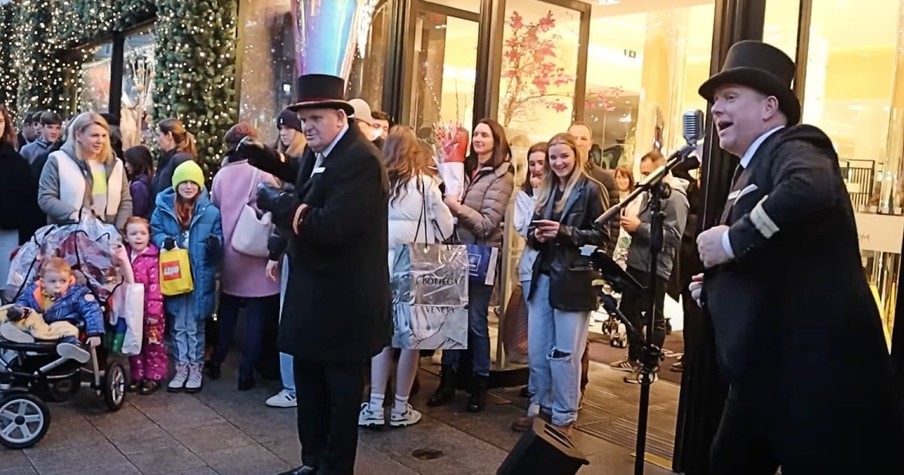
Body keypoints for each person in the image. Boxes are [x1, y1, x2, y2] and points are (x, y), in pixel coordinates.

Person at [692, 40, 904, 474]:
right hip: (763, 374)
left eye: (730, 97)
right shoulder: (748, 167)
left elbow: (809, 190)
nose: (716, 110)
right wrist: (715, 283)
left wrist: (730, 242)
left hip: (812, 378)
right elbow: (776, 255)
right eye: (716, 101)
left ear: (770, 107)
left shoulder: (796, 144)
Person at [239, 73, 391, 475]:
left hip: (343, 301)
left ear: (341, 117)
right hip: (315, 296)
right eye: (304, 118)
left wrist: (279, 205)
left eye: (316, 118)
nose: (307, 126)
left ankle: (334, 469)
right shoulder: (323, 151)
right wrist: (265, 159)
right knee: (309, 388)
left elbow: (331, 226)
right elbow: (306, 179)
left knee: (339, 397)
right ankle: (313, 462)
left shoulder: (360, 159)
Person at [358, 125, 454, 429]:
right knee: (411, 341)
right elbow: (447, 227)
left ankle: (374, 406)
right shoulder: (426, 185)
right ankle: (400, 408)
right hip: (416, 266)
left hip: (378, 267)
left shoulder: (375, 182)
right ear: (415, 152)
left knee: (380, 339)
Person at [511, 133, 607, 434]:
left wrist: (564, 232)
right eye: (553, 157)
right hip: (543, 278)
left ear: (576, 155)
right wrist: (536, 236)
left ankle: (565, 416)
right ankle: (542, 407)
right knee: (539, 351)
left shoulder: (592, 190)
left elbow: (604, 238)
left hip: (574, 281)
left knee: (565, 353)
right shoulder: (547, 191)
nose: (558, 162)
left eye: (563, 156)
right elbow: (532, 234)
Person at [429, 118, 515, 413]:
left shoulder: (502, 176)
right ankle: (448, 380)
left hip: (480, 255)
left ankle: (480, 383)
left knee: (477, 323)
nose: (479, 139)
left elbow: (488, 224)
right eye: (476, 134)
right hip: (453, 251)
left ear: (496, 140)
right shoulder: (462, 169)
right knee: (451, 319)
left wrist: (456, 207)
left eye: (485, 135)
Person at [208, 122, 280, 391]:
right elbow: (276, 202)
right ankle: (246, 373)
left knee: (227, 311)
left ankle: (216, 360)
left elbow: (215, 207)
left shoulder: (222, 175)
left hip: (231, 252)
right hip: (258, 252)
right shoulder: (262, 172)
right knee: (256, 317)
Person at [610, 151, 688, 384]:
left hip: (656, 266)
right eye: (642, 173)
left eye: (647, 173)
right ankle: (634, 357)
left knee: (653, 316)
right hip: (636, 262)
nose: (643, 178)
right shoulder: (648, 193)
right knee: (629, 310)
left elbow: (673, 237)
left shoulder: (674, 197)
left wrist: (639, 227)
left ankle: (649, 366)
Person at [151, 161, 222, 394]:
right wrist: (164, 241)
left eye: (194, 182)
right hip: (175, 277)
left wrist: (215, 245)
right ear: (176, 184)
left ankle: (195, 367)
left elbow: (219, 241)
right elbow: (155, 230)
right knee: (178, 326)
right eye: (184, 182)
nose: (189, 186)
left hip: (199, 279)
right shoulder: (163, 207)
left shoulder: (210, 213)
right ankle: (181, 368)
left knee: (195, 327)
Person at [264, 108, 307, 409]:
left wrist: (274, 251)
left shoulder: (304, 164)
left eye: (290, 127)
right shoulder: (291, 163)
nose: (285, 132)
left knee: (291, 316)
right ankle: (293, 384)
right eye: (281, 128)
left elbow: (288, 214)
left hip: (300, 249)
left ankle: (294, 386)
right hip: (294, 249)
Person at [37, 112, 132, 231]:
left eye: (104, 135)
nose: (100, 141)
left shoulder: (116, 164)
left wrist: (120, 229)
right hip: (68, 235)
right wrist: (74, 215)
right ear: (78, 136)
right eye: (94, 135)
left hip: (108, 237)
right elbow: (46, 198)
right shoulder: (58, 160)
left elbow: (125, 201)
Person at [511, 142, 546, 407]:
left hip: (552, 268)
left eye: (540, 163)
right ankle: (535, 389)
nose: (536, 169)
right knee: (534, 330)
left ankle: (545, 393)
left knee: (548, 334)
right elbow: (524, 228)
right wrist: (536, 197)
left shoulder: (560, 192)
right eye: (532, 164)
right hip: (529, 266)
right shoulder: (524, 195)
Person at [15, 258, 104, 350]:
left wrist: (94, 332)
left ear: (69, 281)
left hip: (60, 329)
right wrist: (19, 311)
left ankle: (70, 347)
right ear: (42, 282)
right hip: (37, 328)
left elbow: (91, 309)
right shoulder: (32, 292)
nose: (58, 285)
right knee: (18, 312)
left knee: (68, 328)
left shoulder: (76, 294)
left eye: (63, 281)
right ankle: (15, 333)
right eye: (53, 281)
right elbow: (22, 302)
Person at [123, 217, 167, 395]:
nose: (138, 237)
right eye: (133, 234)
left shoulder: (153, 258)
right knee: (134, 342)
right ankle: (137, 375)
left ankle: (153, 376)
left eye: (142, 233)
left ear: (149, 235)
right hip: (132, 309)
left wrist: (154, 310)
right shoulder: (125, 256)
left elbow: (156, 286)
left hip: (151, 311)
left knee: (153, 344)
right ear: (126, 237)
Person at [0, 105, 37, 280]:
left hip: (7, 232)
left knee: (7, 285)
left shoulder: (16, 162)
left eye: (0, 121)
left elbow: (28, 201)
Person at [150, 118, 196, 215]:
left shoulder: (180, 160)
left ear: (169, 135)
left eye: (159, 135)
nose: (158, 139)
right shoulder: (169, 159)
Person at [123, 146, 155, 219]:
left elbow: (137, 212)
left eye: (128, 162)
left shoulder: (138, 186)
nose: (126, 165)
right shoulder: (146, 181)